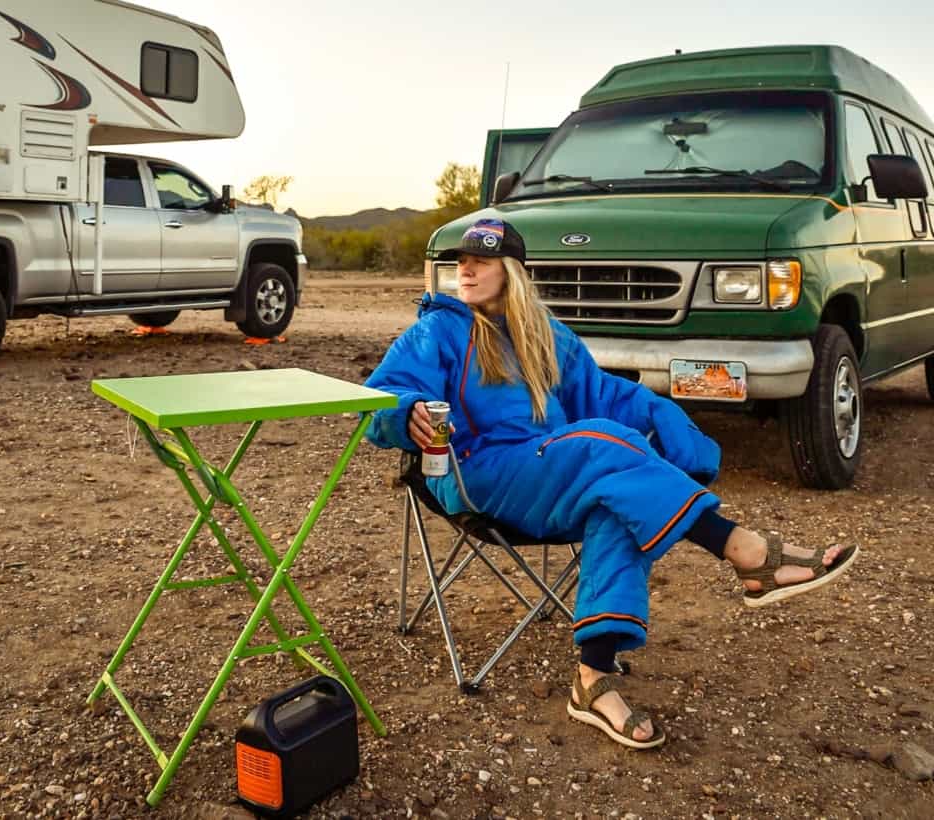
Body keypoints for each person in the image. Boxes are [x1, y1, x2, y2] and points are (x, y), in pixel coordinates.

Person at [364, 218, 858, 750]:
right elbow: (383, 398)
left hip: (556, 472)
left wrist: (671, 425)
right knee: (604, 446)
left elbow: (605, 393)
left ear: (511, 272)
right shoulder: (437, 330)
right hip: (478, 474)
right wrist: (406, 411)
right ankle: (748, 553)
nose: (466, 269)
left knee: (617, 500)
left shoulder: (547, 337)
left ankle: (592, 679)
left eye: (481, 260)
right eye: (461, 260)